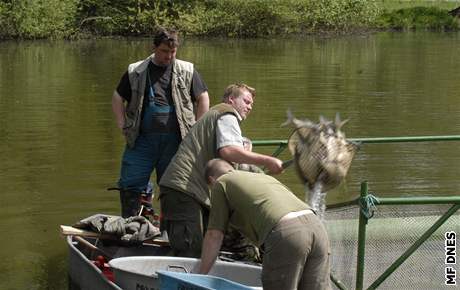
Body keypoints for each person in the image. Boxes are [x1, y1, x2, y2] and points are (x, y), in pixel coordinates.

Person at [159, 83, 283, 257]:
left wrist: (244, 148)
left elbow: (227, 154)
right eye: (246, 101)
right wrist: (268, 160)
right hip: (183, 190)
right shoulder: (227, 113)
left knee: (209, 246)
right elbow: (228, 151)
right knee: (190, 252)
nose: (249, 107)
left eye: (251, 105)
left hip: (195, 193)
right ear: (231, 99)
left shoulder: (218, 117)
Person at [112, 27, 210, 218]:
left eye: (173, 52)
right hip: (141, 139)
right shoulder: (136, 70)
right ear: (155, 47)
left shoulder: (187, 70)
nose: (169, 56)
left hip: (177, 140)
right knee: (130, 183)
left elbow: (203, 98)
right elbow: (117, 96)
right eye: (165, 51)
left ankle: (170, 231)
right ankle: (133, 225)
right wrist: (121, 123)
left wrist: (198, 128)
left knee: (173, 185)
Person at [198, 159, 332, 290]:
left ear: (211, 180)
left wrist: (199, 278)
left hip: (288, 234)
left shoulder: (221, 183)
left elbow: (214, 235)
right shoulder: (263, 178)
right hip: (317, 228)